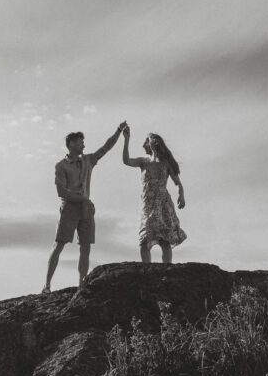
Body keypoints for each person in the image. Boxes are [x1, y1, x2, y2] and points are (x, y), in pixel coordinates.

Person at [43, 121, 127, 293]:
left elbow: (106, 147)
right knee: (59, 244)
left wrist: (119, 131)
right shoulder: (61, 166)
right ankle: (47, 285)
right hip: (69, 208)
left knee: (86, 246)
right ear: (72, 144)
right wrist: (82, 199)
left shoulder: (88, 160)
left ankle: (82, 284)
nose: (84, 145)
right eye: (81, 142)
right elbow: (61, 191)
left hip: (86, 208)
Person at [122, 126, 187, 263]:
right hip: (148, 203)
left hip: (163, 202)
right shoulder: (143, 161)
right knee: (145, 239)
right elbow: (126, 161)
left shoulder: (166, 163)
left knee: (165, 239)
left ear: (151, 144)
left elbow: (177, 182)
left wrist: (181, 195)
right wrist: (126, 140)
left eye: (145, 142)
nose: (142, 145)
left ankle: (167, 270)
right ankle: (146, 271)